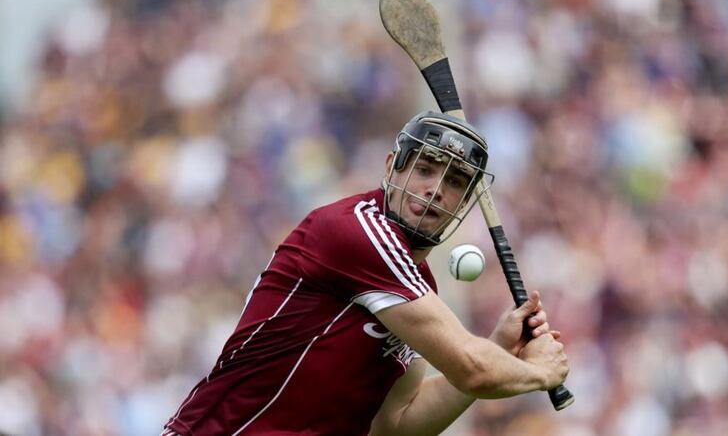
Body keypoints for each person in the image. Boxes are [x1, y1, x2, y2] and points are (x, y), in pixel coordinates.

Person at [161, 111, 569, 436]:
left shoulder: (417, 283)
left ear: (464, 201)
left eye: (455, 181)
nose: (434, 189)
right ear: (392, 167)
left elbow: (394, 423)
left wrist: (498, 350)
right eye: (425, 169)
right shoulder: (356, 232)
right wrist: (539, 373)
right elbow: (471, 368)